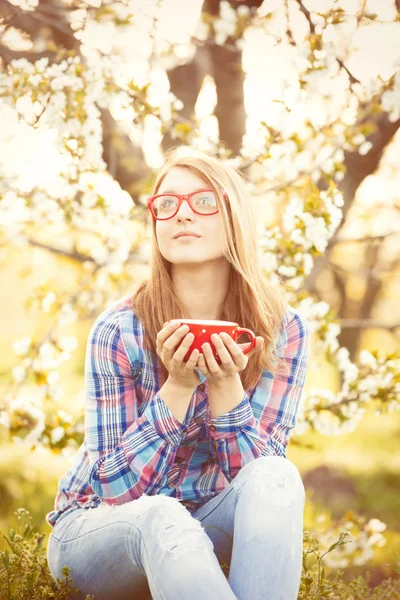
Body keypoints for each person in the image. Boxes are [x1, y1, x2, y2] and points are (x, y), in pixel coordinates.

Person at [46, 146, 311, 600]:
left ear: (235, 217)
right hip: (101, 532)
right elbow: (113, 490)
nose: (182, 214)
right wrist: (180, 385)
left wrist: (227, 384)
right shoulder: (119, 329)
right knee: (161, 514)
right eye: (166, 204)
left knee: (278, 476)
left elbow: (258, 490)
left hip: (204, 523)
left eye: (203, 201)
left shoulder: (281, 329)